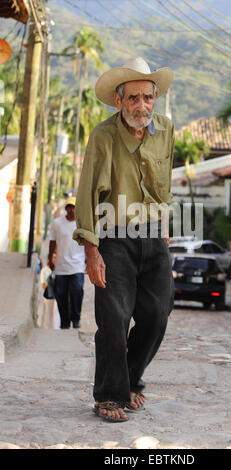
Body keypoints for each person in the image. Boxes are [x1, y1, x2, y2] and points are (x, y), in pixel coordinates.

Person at [73, 57, 175, 423]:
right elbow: (87, 193)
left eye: (148, 97)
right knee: (114, 319)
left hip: (152, 234)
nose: (141, 106)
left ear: (155, 98)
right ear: (119, 101)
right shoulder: (103, 135)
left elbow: (164, 184)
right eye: (133, 98)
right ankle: (109, 396)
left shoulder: (165, 130)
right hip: (113, 236)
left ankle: (132, 379)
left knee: (158, 314)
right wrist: (91, 250)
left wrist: (162, 222)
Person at [49, 197, 86, 329]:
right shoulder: (57, 223)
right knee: (61, 295)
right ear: (66, 209)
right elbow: (52, 242)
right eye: (69, 207)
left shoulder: (82, 224)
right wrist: (50, 259)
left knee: (77, 291)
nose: (71, 210)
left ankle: (76, 318)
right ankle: (64, 321)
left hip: (78, 265)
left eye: (73, 207)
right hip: (61, 266)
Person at [40, 253, 60, 329]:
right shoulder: (44, 270)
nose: (55, 259)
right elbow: (43, 284)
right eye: (53, 258)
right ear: (49, 259)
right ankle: (48, 329)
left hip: (58, 296)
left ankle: (56, 329)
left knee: (57, 313)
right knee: (48, 313)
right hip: (48, 296)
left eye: (56, 258)